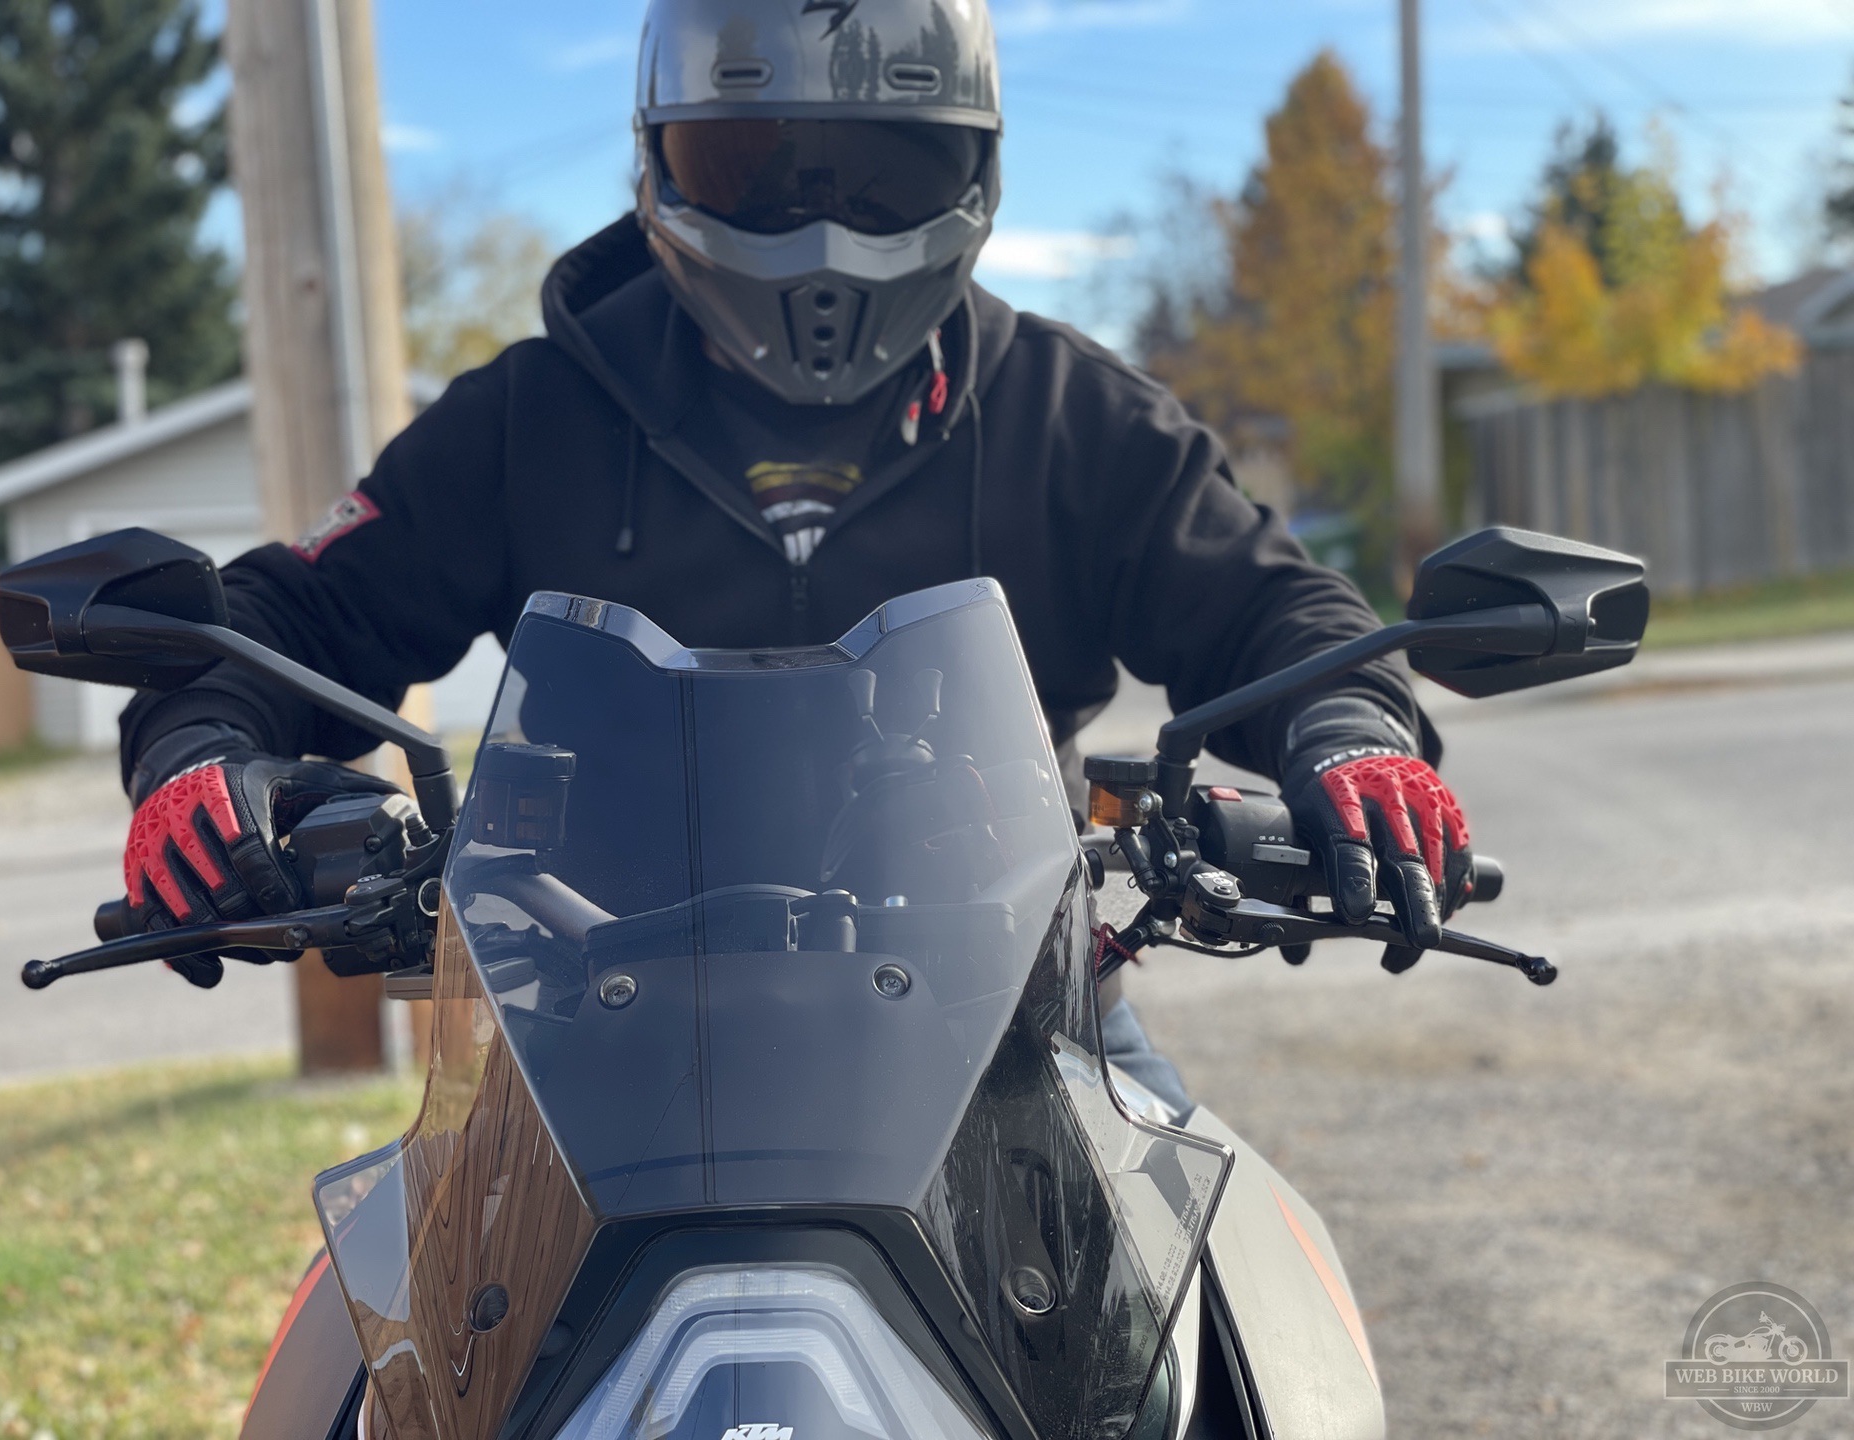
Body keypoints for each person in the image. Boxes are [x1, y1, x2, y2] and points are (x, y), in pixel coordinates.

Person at [115, 0, 1472, 1118]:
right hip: (594, 1051)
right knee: (362, 1374)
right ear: (658, 161)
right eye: (755, 169)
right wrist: (197, 741)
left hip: (1014, 1026)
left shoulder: (1069, 412)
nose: (821, 234)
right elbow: (294, 609)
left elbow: (1276, 609)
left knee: (1246, 1330)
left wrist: (1351, 728)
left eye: (882, 174)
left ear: (976, 169)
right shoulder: (535, 416)